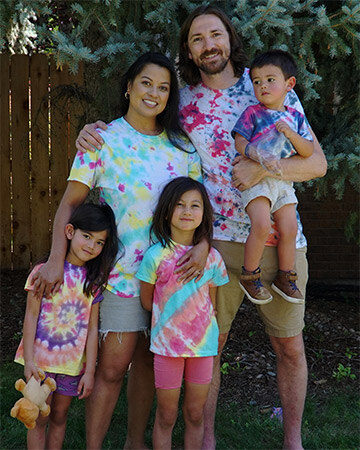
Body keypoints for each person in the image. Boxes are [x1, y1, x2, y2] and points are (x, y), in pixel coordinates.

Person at [72, 5, 327, 449]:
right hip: (214, 245)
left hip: (279, 240)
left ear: (229, 38)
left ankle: (293, 441)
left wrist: (264, 172)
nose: (208, 45)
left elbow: (317, 163)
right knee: (208, 347)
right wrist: (94, 132)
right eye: (197, 38)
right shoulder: (183, 97)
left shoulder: (266, 83)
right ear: (188, 50)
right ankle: (203, 439)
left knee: (289, 346)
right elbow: (142, 125)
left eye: (215, 35)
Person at [30, 52, 203, 450]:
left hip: (170, 280)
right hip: (122, 276)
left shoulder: (183, 149)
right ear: (128, 86)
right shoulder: (102, 140)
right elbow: (69, 205)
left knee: (147, 364)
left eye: (163, 87)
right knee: (111, 368)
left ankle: (133, 442)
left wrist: (204, 245)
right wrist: (56, 258)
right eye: (146, 83)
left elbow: (198, 209)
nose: (153, 93)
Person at [14, 203, 118, 450]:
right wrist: (29, 360)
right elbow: (30, 316)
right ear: (70, 232)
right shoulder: (45, 272)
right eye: (87, 236)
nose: (91, 246)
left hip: (72, 366)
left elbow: (92, 329)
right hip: (40, 362)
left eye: (99, 242)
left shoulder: (93, 281)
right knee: (39, 417)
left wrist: (90, 371)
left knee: (59, 416)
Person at [136, 177, 229, 450]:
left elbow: (211, 304)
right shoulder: (156, 256)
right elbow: (146, 301)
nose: (187, 211)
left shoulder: (212, 259)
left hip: (202, 348)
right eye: (180, 205)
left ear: (204, 214)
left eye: (195, 206)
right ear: (167, 211)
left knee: (195, 413)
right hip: (167, 348)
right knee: (166, 415)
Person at [232, 50, 314, 305]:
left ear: (289, 84)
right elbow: (239, 141)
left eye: (270, 79)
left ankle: (285, 276)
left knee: (288, 228)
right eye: (257, 81)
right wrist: (253, 152)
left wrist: (291, 134)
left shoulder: (296, 118)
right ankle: (249, 274)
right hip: (256, 180)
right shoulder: (253, 113)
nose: (263, 86)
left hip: (283, 182)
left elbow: (308, 151)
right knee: (261, 225)